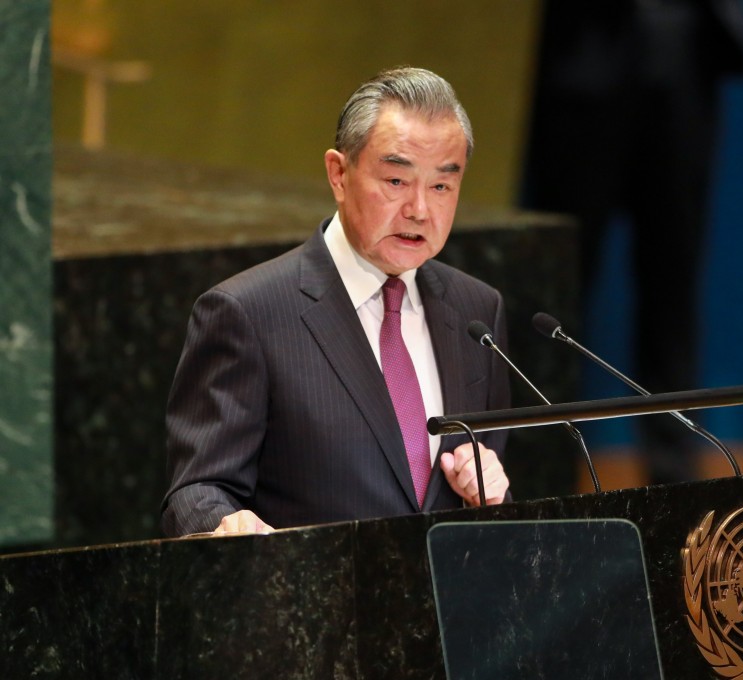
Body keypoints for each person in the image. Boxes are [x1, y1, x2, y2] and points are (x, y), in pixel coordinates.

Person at [162, 67, 512, 536]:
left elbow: (491, 501)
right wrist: (224, 527)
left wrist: (491, 494)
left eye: (442, 186)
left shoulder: (477, 311)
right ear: (339, 174)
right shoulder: (247, 313)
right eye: (395, 181)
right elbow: (196, 492)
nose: (419, 209)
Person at [523, 1, 743, 483]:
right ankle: (542, 475)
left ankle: (676, 480)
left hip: (685, 45)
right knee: (559, 286)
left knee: (675, 282)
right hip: (582, 49)